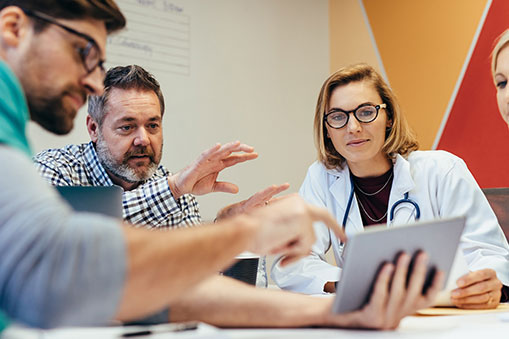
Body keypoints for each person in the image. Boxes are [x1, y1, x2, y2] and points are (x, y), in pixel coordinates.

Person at [0, 1, 443, 331]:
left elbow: (180, 289)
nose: (92, 79)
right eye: (82, 53)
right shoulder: (49, 167)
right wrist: (241, 231)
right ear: (13, 27)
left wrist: (336, 311)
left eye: (153, 124)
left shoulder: (13, 131)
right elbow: (66, 262)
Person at [272, 63, 509, 309]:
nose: (353, 128)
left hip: (443, 317)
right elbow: (291, 262)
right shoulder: (322, 177)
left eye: (365, 112)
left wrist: (490, 285)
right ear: (328, 130)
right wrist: (352, 284)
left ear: (389, 118)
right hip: (369, 322)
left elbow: (490, 254)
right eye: (338, 117)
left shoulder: (442, 170)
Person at [33, 65, 288, 228]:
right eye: (127, 127)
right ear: (93, 129)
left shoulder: (172, 185)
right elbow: (65, 242)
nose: (143, 139)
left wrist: (228, 224)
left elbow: (190, 265)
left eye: (152, 126)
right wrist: (172, 189)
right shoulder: (54, 170)